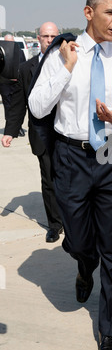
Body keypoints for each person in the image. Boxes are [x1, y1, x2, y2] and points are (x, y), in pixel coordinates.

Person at [28, 0, 112, 350]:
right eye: (110, 13)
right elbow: (38, 105)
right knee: (77, 237)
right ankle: (82, 262)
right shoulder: (64, 54)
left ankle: (109, 331)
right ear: (88, 13)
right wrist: (66, 69)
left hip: (111, 153)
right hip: (71, 156)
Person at [1, 22, 64, 243]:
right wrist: (10, 131)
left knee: (69, 179)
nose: (49, 39)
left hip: (68, 134)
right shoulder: (26, 68)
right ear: (38, 38)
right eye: (45, 36)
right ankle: (55, 224)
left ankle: (73, 220)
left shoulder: (70, 64)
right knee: (48, 180)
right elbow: (19, 104)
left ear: (59, 38)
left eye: (53, 36)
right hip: (41, 134)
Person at [0, 34, 26, 136]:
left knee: (17, 105)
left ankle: (18, 126)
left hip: (16, 83)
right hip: (5, 84)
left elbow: (23, 65)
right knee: (7, 106)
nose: (9, 44)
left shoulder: (20, 52)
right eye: (7, 42)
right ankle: (10, 127)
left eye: (11, 42)